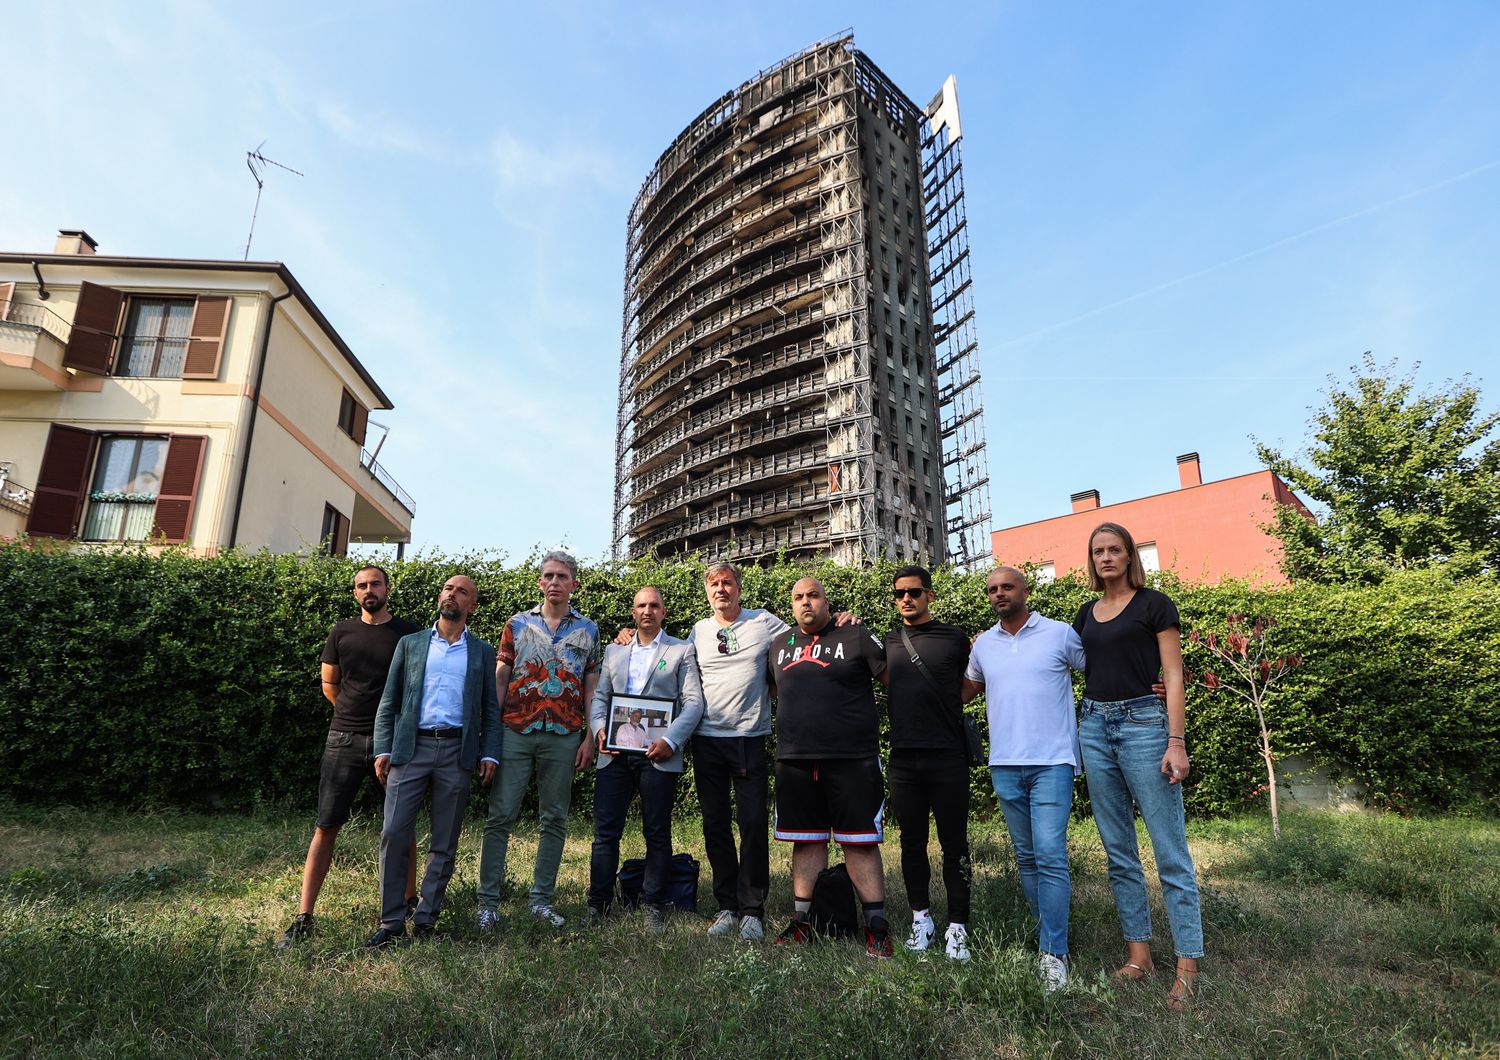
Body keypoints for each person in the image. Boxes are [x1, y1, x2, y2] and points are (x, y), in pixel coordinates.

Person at [1073, 521, 1202, 1010]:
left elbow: (1173, 674)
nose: (1106, 557)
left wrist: (1176, 740)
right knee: (1119, 851)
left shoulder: (1154, 604)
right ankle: (1139, 956)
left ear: (1130, 556)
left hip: (1146, 727)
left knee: (1170, 852)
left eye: (1115, 550)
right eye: (1098, 551)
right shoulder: (1086, 613)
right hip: (1094, 728)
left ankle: (1188, 965)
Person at [277, 565, 421, 949]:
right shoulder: (341, 631)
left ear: (388, 588)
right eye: (361, 585)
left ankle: (409, 902)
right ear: (355, 593)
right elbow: (330, 682)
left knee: (400, 826)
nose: (368, 589)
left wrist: (387, 729)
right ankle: (304, 916)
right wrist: (350, 715)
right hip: (343, 739)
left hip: (393, 744)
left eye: (375, 583)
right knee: (326, 825)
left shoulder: (409, 634)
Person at [961, 565, 1087, 991]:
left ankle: (1054, 953)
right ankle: (1047, 935)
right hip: (1004, 764)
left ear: (1025, 591)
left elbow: (1101, 674)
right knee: (1028, 858)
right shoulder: (983, 646)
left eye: (1007, 587)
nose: (999, 594)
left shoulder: (1059, 633)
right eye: (993, 589)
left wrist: (1149, 685)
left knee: (1050, 856)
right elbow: (960, 691)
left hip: (1053, 761)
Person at [365, 574, 501, 947]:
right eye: (447, 588)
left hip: (457, 752)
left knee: (445, 839)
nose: (451, 595)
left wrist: (489, 751)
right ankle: (391, 922)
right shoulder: (410, 645)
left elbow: (490, 710)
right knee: (394, 833)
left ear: (471, 605)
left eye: (461, 592)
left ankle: (426, 919)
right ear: (440, 597)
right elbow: (389, 701)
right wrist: (383, 747)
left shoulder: (482, 652)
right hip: (411, 749)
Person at [477, 550, 602, 930]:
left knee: (555, 819)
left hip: (564, 735)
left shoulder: (589, 630)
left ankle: (541, 901)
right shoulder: (515, 625)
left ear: (573, 584)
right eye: (548, 576)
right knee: (500, 816)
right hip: (515, 730)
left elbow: (591, 686)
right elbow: (501, 678)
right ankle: (488, 903)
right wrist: (491, 735)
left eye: (562, 577)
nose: (554, 582)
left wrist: (590, 737)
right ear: (540, 582)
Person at [771, 577, 893, 959]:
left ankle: (876, 925)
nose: (806, 602)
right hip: (795, 758)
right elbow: (773, 691)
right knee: (806, 840)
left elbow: (893, 677)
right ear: (792, 606)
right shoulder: (778, 645)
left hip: (852, 757)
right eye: (798, 597)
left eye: (813, 595)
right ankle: (804, 920)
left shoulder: (854, 635)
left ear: (827, 601)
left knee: (859, 842)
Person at [587, 587, 705, 934]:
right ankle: (599, 904)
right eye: (641, 606)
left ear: (664, 612)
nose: (648, 611)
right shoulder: (614, 650)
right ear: (633, 612)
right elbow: (600, 699)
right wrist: (598, 731)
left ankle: (654, 903)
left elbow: (693, 702)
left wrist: (671, 739)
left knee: (657, 831)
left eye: (654, 605)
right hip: (614, 753)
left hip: (658, 754)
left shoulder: (681, 649)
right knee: (605, 833)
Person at [687, 561, 789, 943]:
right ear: (707, 591)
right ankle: (727, 906)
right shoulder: (698, 630)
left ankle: (752, 910)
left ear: (738, 588)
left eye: (727, 583)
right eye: (713, 584)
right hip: (707, 740)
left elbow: (802, 638)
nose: (720, 590)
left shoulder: (763, 622)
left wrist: (840, 622)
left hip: (749, 737)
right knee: (715, 825)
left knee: (750, 825)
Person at [881, 565, 975, 962]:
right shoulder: (888, 641)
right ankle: (922, 919)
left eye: (915, 592)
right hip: (905, 759)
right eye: (900, 593)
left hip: (949, 757)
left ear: (930, 596)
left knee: (955, 846)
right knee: (911, 844)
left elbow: (974, 683)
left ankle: (958, 927)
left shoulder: (955, 638)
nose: (906, 598)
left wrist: (947, 707)